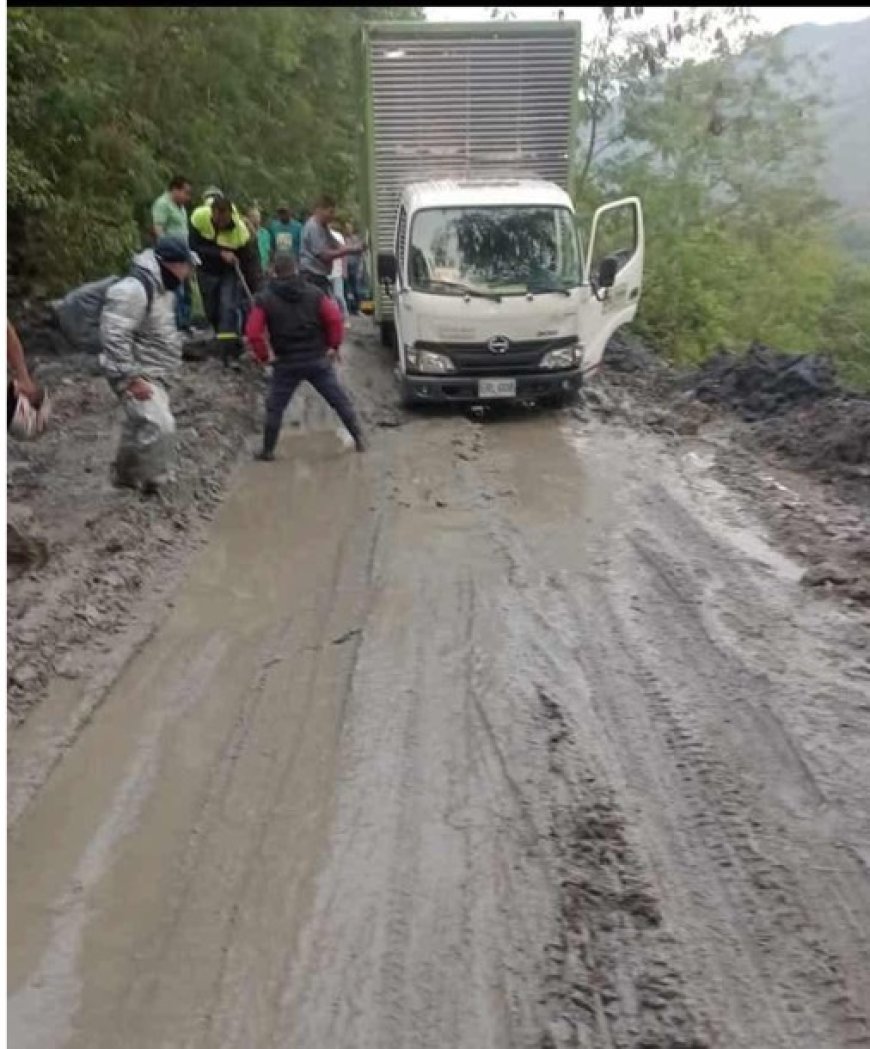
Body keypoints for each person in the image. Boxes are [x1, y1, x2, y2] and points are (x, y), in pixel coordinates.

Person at [99, 235, 199, 495]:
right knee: (160, 424)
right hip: (136, 372)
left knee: (138, 424)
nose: (189, 272)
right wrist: (131, 378)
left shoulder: (164, 288)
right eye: (186, 266)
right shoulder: (133, 290)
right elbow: (114, 334)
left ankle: (124, 477)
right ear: (172, 265)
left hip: (155, 370)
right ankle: (153, 483)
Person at [244, 252, 367, 460]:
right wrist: (333, 346)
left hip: (285, 363)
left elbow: (253, 333)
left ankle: (267, 450)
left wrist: (264, 357)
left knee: (275, 408)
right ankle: (359, 439)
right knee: (338, 399)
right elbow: (334, 319)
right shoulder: (315, 293)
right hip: (317, 359)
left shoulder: (264, 299)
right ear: (296, 270)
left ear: (274, 272)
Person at [189, 193, 262, 362]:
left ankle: (228, 350)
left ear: (230, 215)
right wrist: (219, 253)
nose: (221, 223)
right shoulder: (199, 218)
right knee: (211, 308)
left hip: (228, 272)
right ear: (212, 213)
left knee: (228, 306)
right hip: (206, 269)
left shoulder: (240, 232)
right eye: (217, 218)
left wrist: (256, 289)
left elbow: (250, 264)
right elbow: (193, 246)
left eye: (224, 219)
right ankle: (220, 337)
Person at [151, 176, 193, 330]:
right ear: (175, 189)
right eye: (185, 192)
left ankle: (185, 323)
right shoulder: (163, 204)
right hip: (172, 256)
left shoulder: (181, 207)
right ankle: (175, 326)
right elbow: (159, 229)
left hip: (184, 253)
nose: (187, 197)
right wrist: (165, 253)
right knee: (176, 292)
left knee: (187, 291)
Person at [299, 195, 363, 296]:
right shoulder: (313, 228)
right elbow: (324, 255)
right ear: (319, 210)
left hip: (320, 276)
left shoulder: (323, 227)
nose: (332, 216)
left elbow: (336, 244)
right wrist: (348, 251)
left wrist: (355, 247)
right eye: (330, 212)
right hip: (311, 276)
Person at [329, 226, 351, 327]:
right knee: (330, 298)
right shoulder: (319, 236)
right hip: (325, 272)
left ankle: (346, 318)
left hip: (337, 271)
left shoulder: (337, 236)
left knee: (339, 295)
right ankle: (335, 320)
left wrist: (344, 269)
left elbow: (344, 253)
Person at [247, 206, 274, 275]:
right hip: (250, 268)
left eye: (257, 216)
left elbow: (268, 251)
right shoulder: (245, 233)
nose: (256, 218)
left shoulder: (265, 233)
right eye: (253, 216)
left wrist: (270, 266)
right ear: (249, 218)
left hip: (264, 268)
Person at [344, 222, 363, 316]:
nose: (348, 229)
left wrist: (348, 249)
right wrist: (352, 248)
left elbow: (359, 248)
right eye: (347, 228)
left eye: (349, 227)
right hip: (346, 267)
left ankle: (358, 309)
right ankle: (349, 309)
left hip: (355, 266)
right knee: (347, 289)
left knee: (356, 288)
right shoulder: (343, 239)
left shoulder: (356, 238)